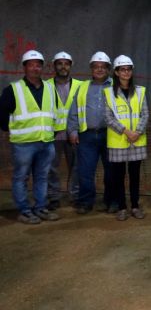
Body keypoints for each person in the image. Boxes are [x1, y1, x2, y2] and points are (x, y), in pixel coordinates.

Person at [0, 50, 58, 224]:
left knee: (42, 176)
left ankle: (40, 208)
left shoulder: (49, 87)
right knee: (21, 177)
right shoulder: (14, 89)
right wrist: (6, 127)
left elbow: (53, 112)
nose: (35, 68)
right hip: (23, 144)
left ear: (42, 67)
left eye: (38, 64)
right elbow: (2, 112)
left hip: (46, 142)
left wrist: (51, 133)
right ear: (24, 67)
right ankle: (24, 210)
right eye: (31, 64)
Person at [68, 51, 114, 214]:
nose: (100, 70)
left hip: (111, 135)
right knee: (85, 171)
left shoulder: (115, 86)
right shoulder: (82, 87)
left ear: (108, 69)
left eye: (103, 67)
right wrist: (72, 131)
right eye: (96, 67)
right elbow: (74, 110)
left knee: (111, 171)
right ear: (91, 69)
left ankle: (111, 201)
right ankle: (86, 201)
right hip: (86, 135)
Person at [103, 55, 148, 221]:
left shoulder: (140, 91)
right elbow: (108, 117)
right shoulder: (108, 93)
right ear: (116, 72)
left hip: (137, 140)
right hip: (118, 141)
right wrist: (126, 132)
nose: (126, 72)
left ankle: (135, 206)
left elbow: (145, 114)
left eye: (128, 69)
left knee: (135, 175)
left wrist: (137, 132)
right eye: (122, 69)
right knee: (118, 176)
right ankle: (122, 207)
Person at [46, 51, 82, 209]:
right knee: (51, 168)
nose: (63, 66)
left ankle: (75, 195)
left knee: (76, 167)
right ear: (54, 65)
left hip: (73, 135)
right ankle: (53, 197)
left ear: (71, 66)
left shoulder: (81, 86)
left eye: (66, 63)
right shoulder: (46, 86)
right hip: (53, 134)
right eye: (59, 63)